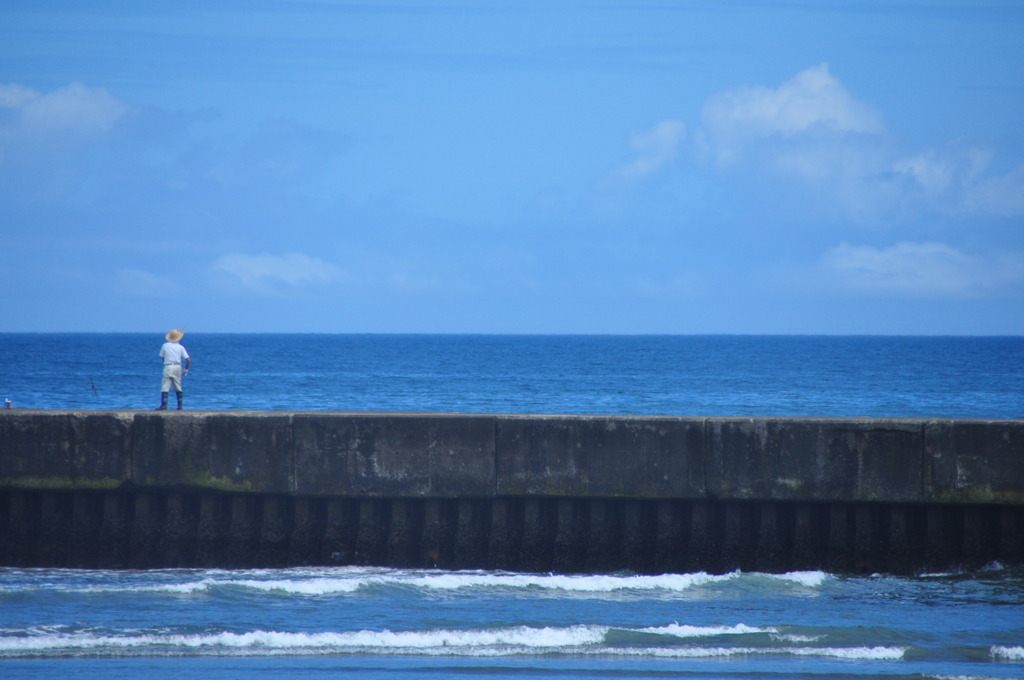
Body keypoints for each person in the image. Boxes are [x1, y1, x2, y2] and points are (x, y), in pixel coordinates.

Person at [158, 329, 191, 410]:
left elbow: (162, 356)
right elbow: (188, 360)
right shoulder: (180, 347)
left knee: (165, 386)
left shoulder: (165, 345)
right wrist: (186, 369)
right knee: (178, 386)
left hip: (168, 366)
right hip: (178, 367)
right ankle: (180, 406)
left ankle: (164, 405)